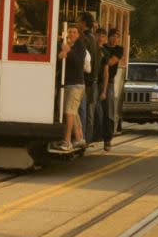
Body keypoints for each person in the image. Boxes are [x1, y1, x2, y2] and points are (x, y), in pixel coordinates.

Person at [52, 24, 86, 151]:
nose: (71, 34)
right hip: (64, 84)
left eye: (74, 32)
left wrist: (68, 51)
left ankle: (67, 141)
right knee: (72, 112)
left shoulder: (80, 45)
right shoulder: (61, 45)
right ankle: (79, 138)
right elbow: (56, 63)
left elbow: (78, 63)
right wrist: (60, 56)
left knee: (69, 111)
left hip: (76, 84)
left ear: (78, 35)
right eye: (69, 32)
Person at [77, 11, 99, 144]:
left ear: (83, 23)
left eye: (78, 21)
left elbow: (83, 60)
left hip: (85, 80)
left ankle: (82, 138)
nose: (76, 23)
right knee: (87, 111)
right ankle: (87, 138)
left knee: (82, 111)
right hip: (92, 80)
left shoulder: (85, 39)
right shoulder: (94, 38)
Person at [102, 28, 123, 151]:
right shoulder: (102, 47)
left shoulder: (119, 50)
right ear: (108, 37)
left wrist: (102, 57)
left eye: (117, 36)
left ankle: (108, 139)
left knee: (109, 111)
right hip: (97, 81)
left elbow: (110, 62)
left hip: (109, 82)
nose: (115, 38)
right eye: (113, 36)